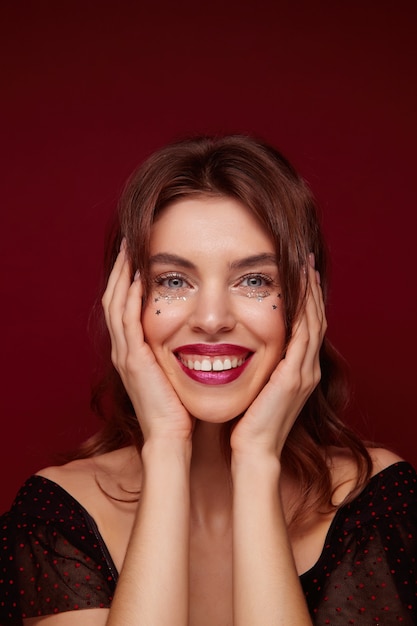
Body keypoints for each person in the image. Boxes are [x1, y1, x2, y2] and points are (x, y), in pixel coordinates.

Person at [1, 134, 416, 626]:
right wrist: (166, 450)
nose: (213, 318)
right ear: (124, 305)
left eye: (256, 280)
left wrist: (258, 459)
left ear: (307, 306)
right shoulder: (58, 515)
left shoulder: (375, 504)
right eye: (173, 281)